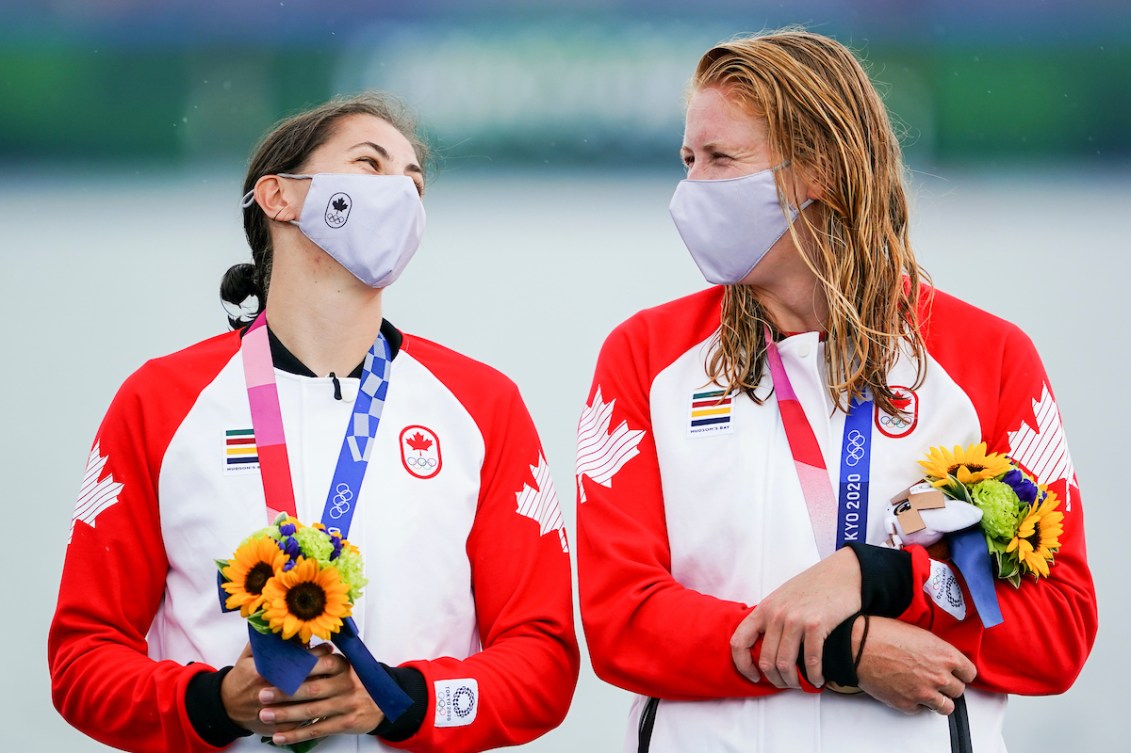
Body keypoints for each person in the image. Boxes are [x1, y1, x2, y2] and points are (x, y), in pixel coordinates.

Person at [576, 29, 1097, 753]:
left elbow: (1056, 630)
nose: (689, 192)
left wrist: (882, 579)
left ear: (817, 168)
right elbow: (622, 624)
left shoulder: (987, 356)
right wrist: (845, 653)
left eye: (720, 160)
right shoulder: (646, 355)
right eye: (687, 161)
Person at [49, 93, 579, 753]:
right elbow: (82, 657)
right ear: (278, 196)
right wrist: (213, 703)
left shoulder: (481, 402)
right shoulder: (160, 398)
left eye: (414, 183)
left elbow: (544, 661)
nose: (402, 196)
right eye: (371, 164)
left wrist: (398, 700)